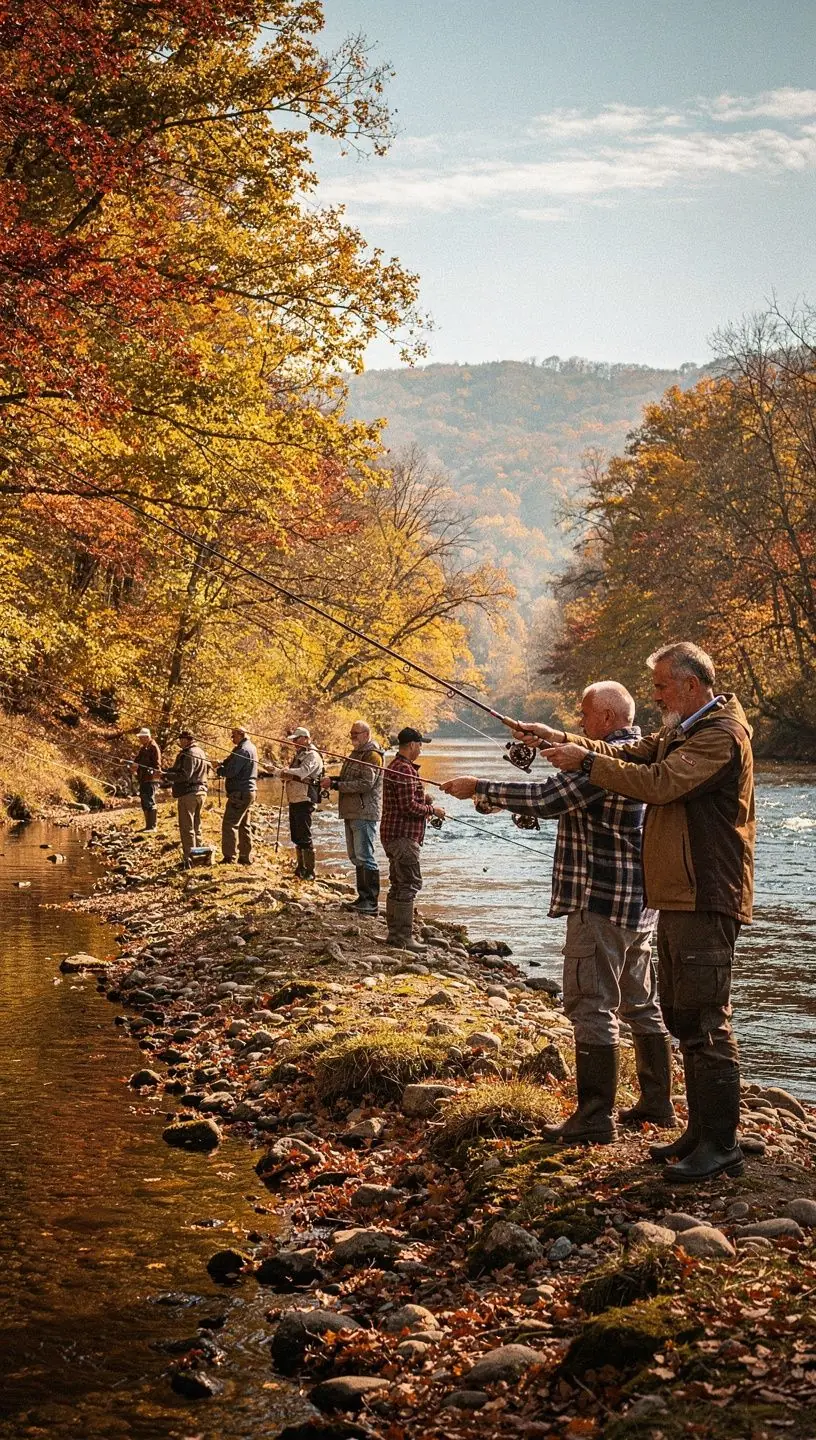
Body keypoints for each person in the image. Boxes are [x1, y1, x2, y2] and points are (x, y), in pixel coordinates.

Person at [525, 642, 755, 1183]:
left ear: (691, 685)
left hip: (707, 893)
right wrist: (560, 739)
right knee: (679, 1013)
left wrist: (584, 761)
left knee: (704, 1020)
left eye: (660, 687)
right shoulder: (686, 728)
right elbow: (631, 753)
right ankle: (698, 1133)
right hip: (676, 894)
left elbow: (658, 783)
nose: (654, 697)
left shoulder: (721, 735)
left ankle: (721, 1145)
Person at [443, 682, 673, 1146]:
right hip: (640, 907)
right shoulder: (642, 755)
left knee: (592, 1005)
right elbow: (566, 787)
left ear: (607, 717)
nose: (581, 725)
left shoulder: (605, 763)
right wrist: (547, 741)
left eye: (585, 717)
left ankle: (594, 1116)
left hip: (600, 903)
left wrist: (477, 788)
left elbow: (550, 798)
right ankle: (657, 1103)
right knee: (641, 1005)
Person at [380, 726, 445, 953]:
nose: (421, 750)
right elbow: (408, 807)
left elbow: (405, 799)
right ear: (412, 745)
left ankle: (395, 935)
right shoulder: (405, 770)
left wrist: (423, 796)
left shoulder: (398, 767)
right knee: (409, 884)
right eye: (420, 745)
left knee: (398, 884)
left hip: (393, 835)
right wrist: (432, 809)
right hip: (403, 837)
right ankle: (404, 937)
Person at [321, 720, 384, 915]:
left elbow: (366, 784)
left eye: (355, 733)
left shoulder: (373, 756)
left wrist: (336, 786)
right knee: (356, 856)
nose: (352, 737)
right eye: (351, 734)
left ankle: (371, 902)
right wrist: (334, 780)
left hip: (364, 813)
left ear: (366, 734)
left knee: (365, 856)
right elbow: (351, 779)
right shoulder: (356, 754)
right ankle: (362, 897)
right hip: (351, 810)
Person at [272, 727, 324, 879]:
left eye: (297, 739)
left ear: (306, 738)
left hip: (305, 799)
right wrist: (278, 772)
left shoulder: (312, 755)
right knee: (296, 835)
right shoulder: (300, 754)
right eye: (293, 740)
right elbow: (292, 775)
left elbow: (302, 772)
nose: (294, 742)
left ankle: (309, 871)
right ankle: (300, 868)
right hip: (295, 798)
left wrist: (284, 771)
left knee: (304, 836)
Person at [164, 729, 210, 867]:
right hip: (201, 792)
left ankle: (189, 859)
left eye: (181, 739)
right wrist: (167, 772)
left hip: (189, 794)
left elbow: (185, 775)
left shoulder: (188, 754)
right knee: (197, 826)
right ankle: (200, 855)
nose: (179, 741)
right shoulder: (201, 752)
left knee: (187, 828)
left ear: (187, 739)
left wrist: (166, 776)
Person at [217, 725, 258, 865]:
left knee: (230, 824)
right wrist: (222, 764)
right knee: (244, 825)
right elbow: (231, 763)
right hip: (249, 792)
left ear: (241, 735)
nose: (231, 738)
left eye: (233, 735)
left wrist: (219, 770)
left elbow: (231, 771)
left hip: (239, 793)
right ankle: (245, 857)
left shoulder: (243, 750)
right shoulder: (250, 748)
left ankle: (229, 857)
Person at [129, 727, 161, 830]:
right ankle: (148, 826)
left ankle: (152, 826)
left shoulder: (153, 747)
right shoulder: (143, 748)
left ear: (147, 737)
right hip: (143, 778)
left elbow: (157, 764)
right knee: (144, 801)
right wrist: (134, 765)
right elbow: (137, 760)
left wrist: (156, 774)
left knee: (150, 800)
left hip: (151, 779)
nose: (140, 740)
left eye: (142, 738)